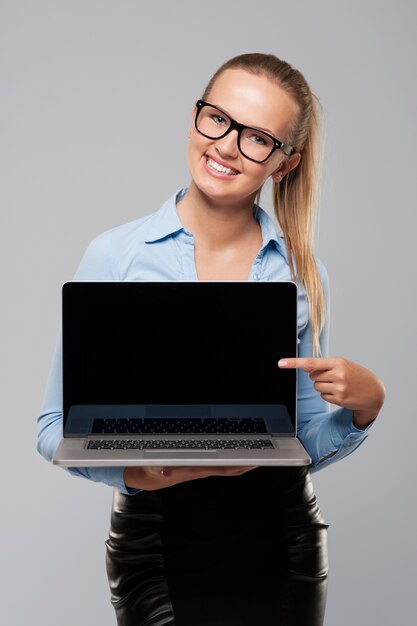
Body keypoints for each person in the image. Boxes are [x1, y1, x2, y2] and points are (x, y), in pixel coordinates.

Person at [37, 52, 386, 625]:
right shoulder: (115, 256)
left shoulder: (301, 273)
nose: (226, 145)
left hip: (282, 539)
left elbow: (296, 445)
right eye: (217, 119)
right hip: (154, 544)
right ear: (195, 117)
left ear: (284, 163)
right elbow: (53, 430)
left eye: (257, 138)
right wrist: (144, 474)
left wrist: (365, 409)